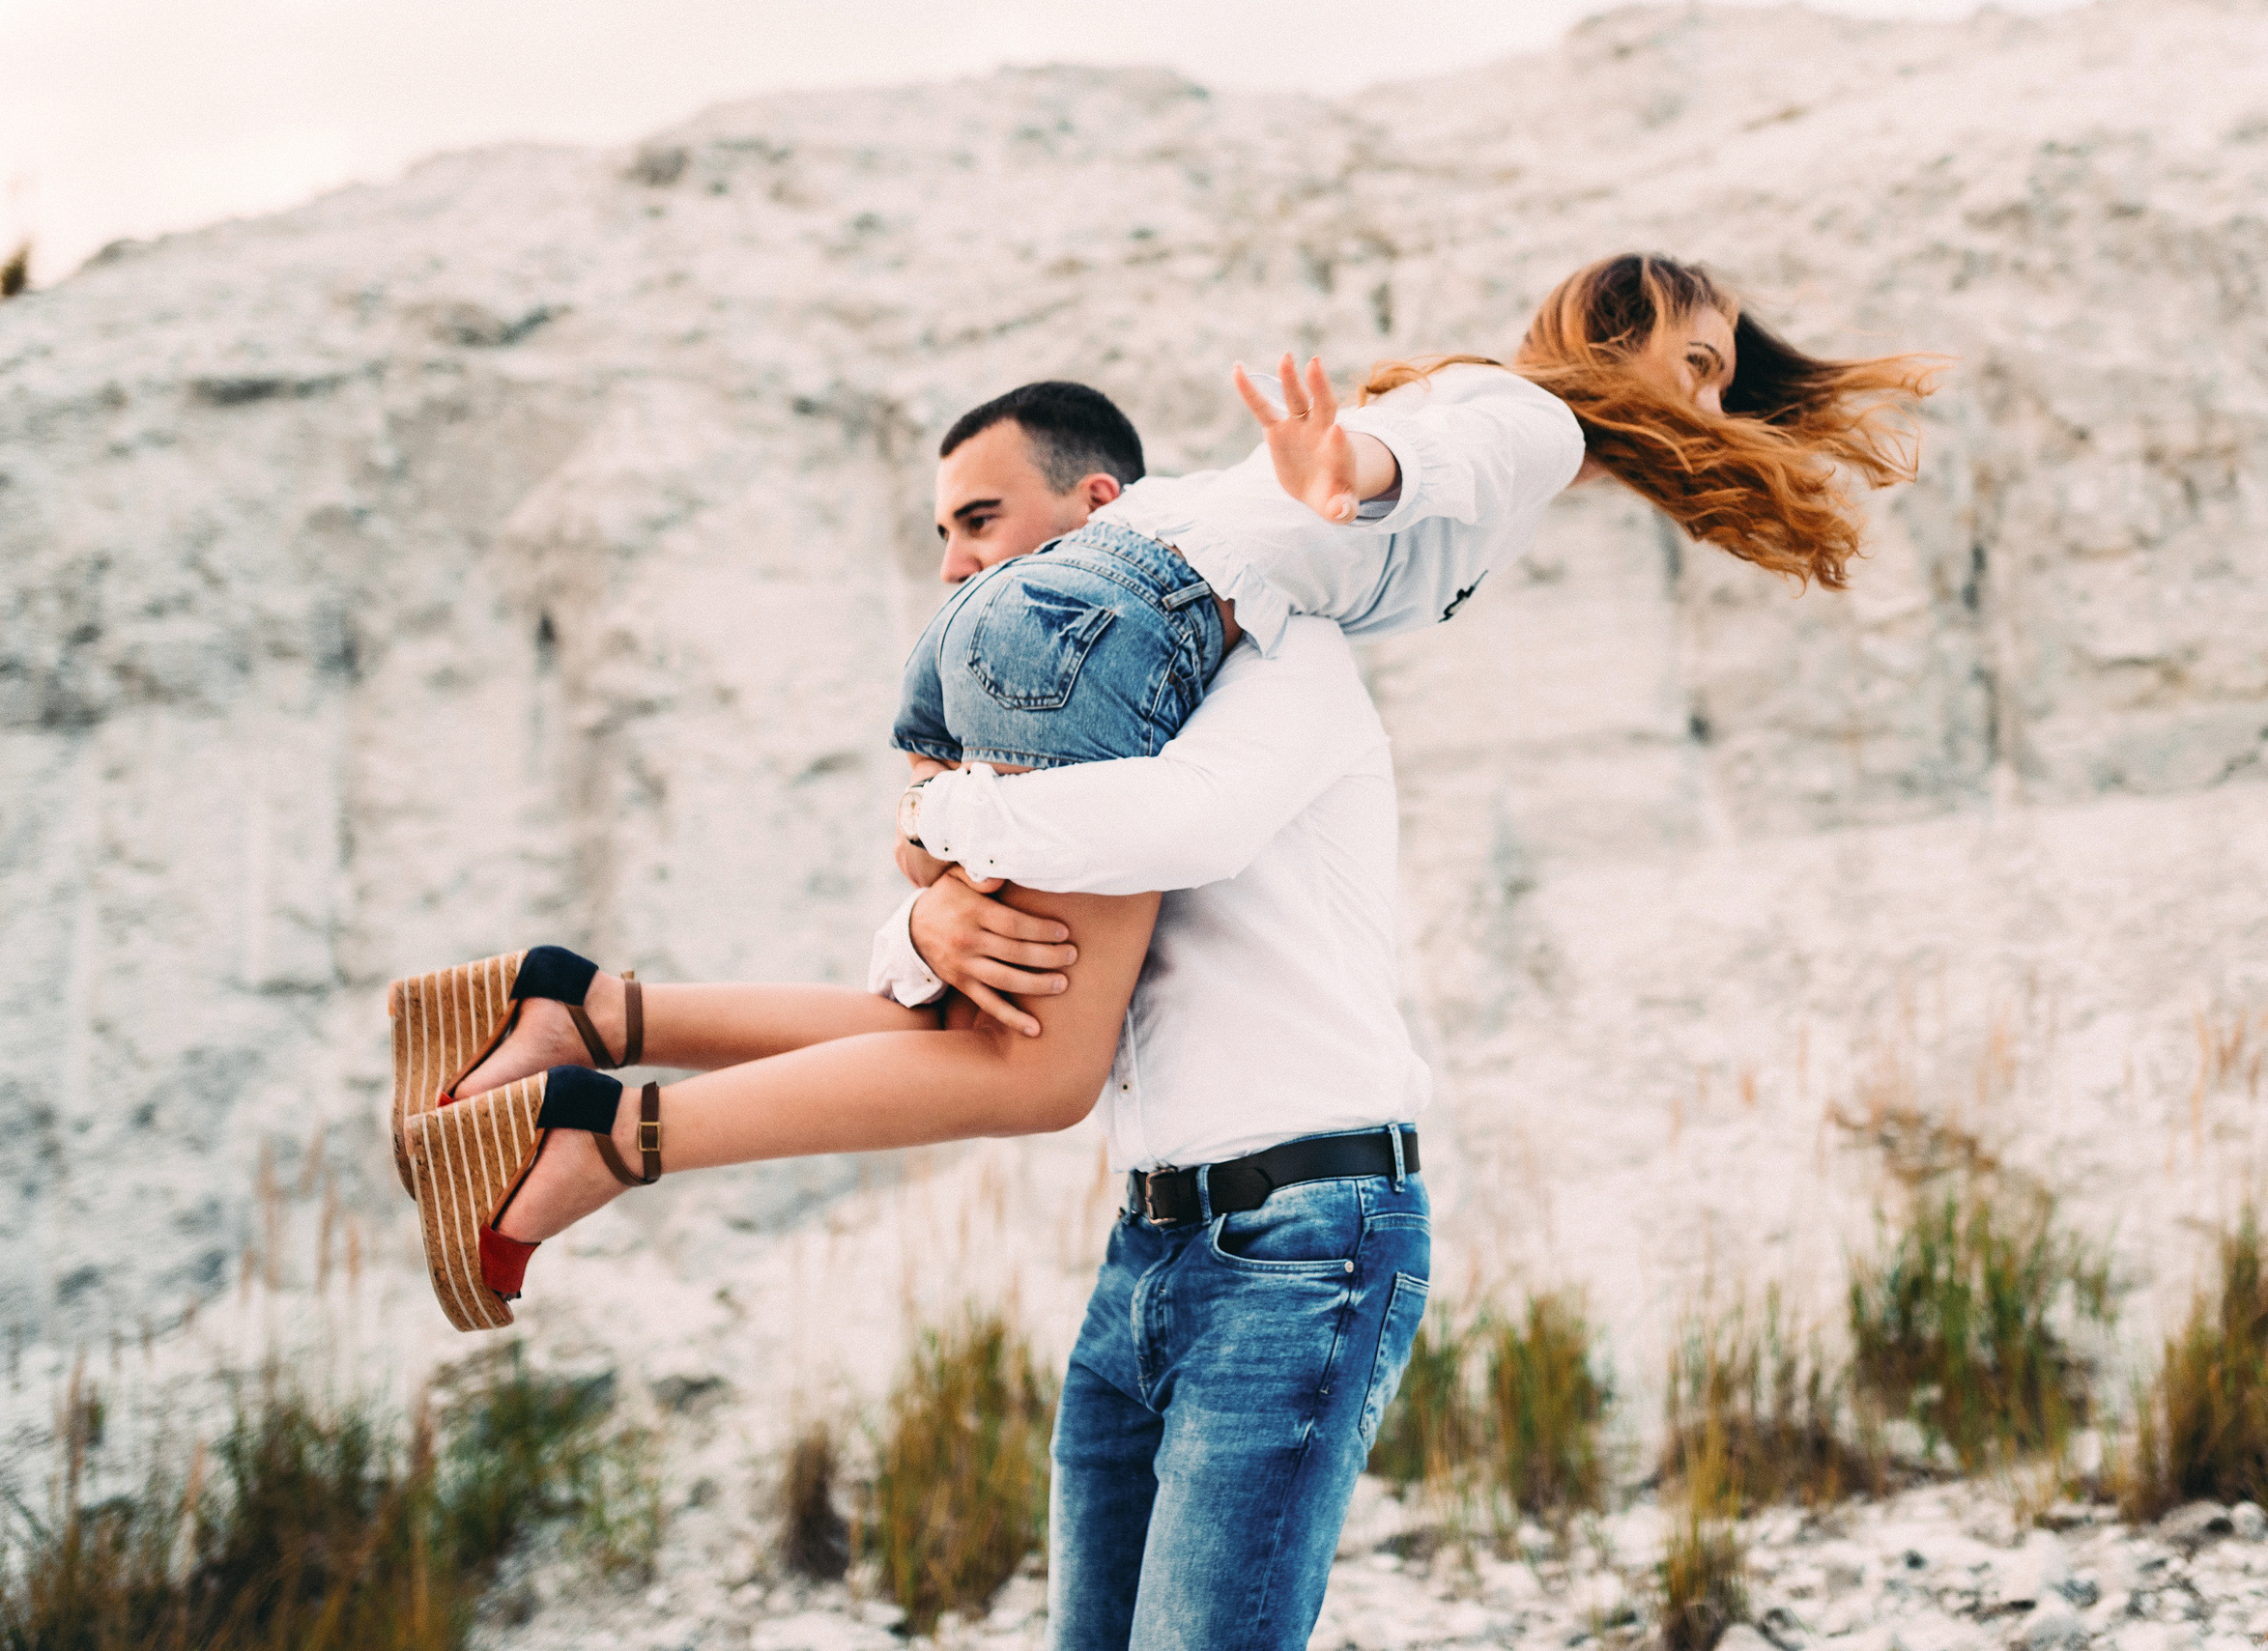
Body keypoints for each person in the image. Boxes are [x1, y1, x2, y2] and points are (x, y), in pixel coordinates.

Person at [388, 251, 1937, 1637]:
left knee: (1003, 1043)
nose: (1712, 394)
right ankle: (597, 1120)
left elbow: (932, 986)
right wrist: (1357, 467)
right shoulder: (1494, 446)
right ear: (1617, 325)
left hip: (1207, 1227)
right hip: (1286, 1236)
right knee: (1036, 1071)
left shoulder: (1231, 621)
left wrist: (937, 869)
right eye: (1701, 357)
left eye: (1732, 379)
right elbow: (1406, 499)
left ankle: (579, 1017)